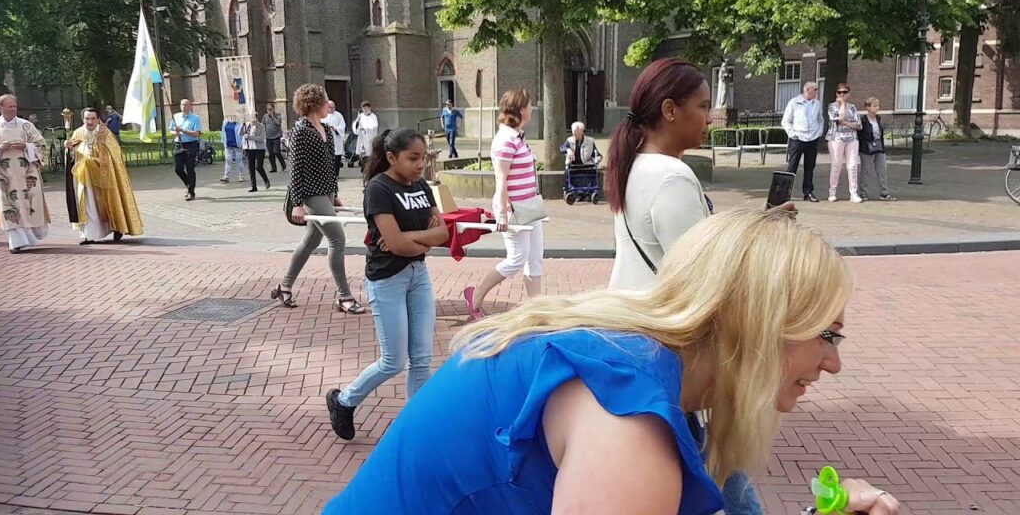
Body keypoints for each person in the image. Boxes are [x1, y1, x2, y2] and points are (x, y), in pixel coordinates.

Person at [322, 210, 902, 515]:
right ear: (756, 321)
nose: (833, 363)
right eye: (827, 334)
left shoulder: (629, 353)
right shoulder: (628, 425)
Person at [607, 58, 793, 514]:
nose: (711, 116)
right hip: (670, 344)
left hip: (637, 332)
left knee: (700, 462)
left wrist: (755, 224)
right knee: (718, 469)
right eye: (704, 106)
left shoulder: (637, 165)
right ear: (670, 110)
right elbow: (705, 272)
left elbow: (692, 243)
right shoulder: (672, 175)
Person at [325, 127, 448, 441]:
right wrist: (417, 239)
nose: (421, 165)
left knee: (422, 358)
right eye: (413, 158)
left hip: (418, 274)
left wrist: (410, 238)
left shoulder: (421, 185)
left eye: (424, 158)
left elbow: (443, 234)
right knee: (393, 361)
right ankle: (344, 401)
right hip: (386, 279)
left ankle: (413, 426)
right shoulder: (379, 189)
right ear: (392, 157)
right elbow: (396, 245)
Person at [272, 84, 365, 315]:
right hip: (311, 194)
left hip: (326, 192)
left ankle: (285, 287)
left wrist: (335, 194)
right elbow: (295, 170)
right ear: (314, 104)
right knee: (337, 239)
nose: (328, 105)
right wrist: (297, 203)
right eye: (325, 101)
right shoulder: (300, 131)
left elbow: (331, 168)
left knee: (311, 241)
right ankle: (344, 296)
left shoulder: (326, 130)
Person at [463, 88, 543, 320]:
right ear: (521, 109)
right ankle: (476, 295)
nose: (531, 109)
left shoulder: (517, 136)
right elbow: (501, 178)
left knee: (535, 257)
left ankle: (536, 309)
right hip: (514, 208)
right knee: (517, 258)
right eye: (529, 105)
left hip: (529, 206)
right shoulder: (506, 140)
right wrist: (502, 214)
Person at [64, 108, 143, 244]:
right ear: (83, 119)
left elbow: (115, 155)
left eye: (93, 119)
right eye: (87, 119)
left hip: (103, 176)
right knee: (86, 204)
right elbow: (72, 156)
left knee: (107, 202)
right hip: (84, 177)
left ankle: (116, 226)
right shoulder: (78, 133)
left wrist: (98, 160)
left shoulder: (105, 133)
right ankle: (87, 235)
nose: (90, 122)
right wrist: (69, 149)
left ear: (98, 119)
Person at [0, 94, 49, 253]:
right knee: (8, 205)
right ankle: (16, 242)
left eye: (15, 106)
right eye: (9, 106)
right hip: (4, 174)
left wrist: (26, 146)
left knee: (30, 202)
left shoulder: (26, 125)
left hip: (27, 173)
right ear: (0, 108)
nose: (13, 109)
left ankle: (30, 237)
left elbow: (41, 145)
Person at [781, 81, 825, 203]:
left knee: (809, 167)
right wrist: (792, 134)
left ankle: (808, 192)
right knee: (792, 166)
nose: (817, 92)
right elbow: (786, 120)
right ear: (807, 90)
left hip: (812, 139)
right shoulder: (794, 102)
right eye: (815, 89)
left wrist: (819, 132)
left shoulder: (817, 103)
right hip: (798, 139)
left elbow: (820, 120)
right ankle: (785, 193)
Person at [827, 84, 863, 203]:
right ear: (836, 94)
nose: (842, 94)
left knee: (852, 166)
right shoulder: (832, 106)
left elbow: (859, 125)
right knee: (836, 166)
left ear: (849, 94)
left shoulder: (852, 107)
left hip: (852, 138)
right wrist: (842, 104)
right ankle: (832, 192)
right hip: (836, 138)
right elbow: (839, 118)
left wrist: (846, 123)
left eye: (845, 92)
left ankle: (853, 193)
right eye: (839, 92)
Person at [858, 97, 896, 202]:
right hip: (866, 149)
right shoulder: (863, 120)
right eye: (874, 106)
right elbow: (860, 135)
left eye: (878, 106)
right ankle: (863, 193)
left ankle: (884, 193)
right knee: (866, 171)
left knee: (882, 170)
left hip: (879, 147)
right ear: (868, 107)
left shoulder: (878, 118)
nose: (877, 108)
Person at [170, 99, 202, 201]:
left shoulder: (195, 118)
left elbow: (196, 133)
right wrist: (175, 133)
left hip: (190, 145)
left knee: (190, 168)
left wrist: (183, 130)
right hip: (178, 144)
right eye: (182, 105)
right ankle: (189, 185)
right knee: (178, 168)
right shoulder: (176, 116)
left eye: (186, 105)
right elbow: (171, 130)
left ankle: (191, 192)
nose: (183, 107)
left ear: (190, 106)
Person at [242, 115, 269, 192]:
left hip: (259, 149)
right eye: (251, 119)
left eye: (254, 119)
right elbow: (240, 133)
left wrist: (250, 137)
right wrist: (243, 125)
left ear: (257, 119)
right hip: (249, 149)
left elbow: (261, 138)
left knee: (258, 166)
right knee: (251, 168)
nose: (253, 121)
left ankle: (266, 180)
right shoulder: (247, 126)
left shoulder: (261, 126)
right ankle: (254, 186)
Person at [322, 101, 346, 178]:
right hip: (327, 139)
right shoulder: (323, 115)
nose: (332, 109)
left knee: (337, 157)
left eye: (333, 107)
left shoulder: (338, 115)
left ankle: (336, 174)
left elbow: (342, 126)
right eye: (330, 107)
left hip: (336, 139)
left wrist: (335, 128)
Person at [353, 101, 380, 170]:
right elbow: (356, 125)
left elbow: (374, 127)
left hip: (370, 138)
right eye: (363, 108)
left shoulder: (373, 116)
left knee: (369, 153)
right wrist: (357, 123)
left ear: (369, 108)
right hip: (362, 137)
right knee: (362, 152)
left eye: (366, 108)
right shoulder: (361, 116)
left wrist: (365, 129)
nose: (365, 110)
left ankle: (369, 167)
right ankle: (363, 166)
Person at [219, 117, 246, 183]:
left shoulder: (240, 123)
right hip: (228, 144)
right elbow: (223, 132)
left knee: (239, 160)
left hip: (237, 144)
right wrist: (223, 141)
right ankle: (226, 176)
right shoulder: (225, 122)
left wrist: (243, 144)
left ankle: (241, 176)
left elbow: (242, 134)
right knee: (228, 160)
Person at [263, 103, 286, 173]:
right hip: (268, 137)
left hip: (276, 136)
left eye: (270, 109)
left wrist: (273, 116)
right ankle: (273, 168)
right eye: (268, 109)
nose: (269, 111)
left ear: (273, 109)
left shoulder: (278, 115)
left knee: (276, 151)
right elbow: (263, 125)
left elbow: (278, 123)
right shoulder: (265, 116)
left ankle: (283, 164)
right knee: (271, 154)